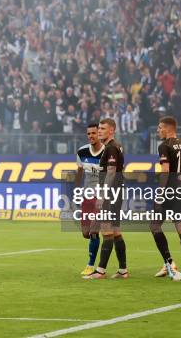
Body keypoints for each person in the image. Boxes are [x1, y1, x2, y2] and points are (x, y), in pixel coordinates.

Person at [151, 116, 181, 277]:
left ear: (168, 129)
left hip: (169, 191)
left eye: (159, 127)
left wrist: (161, 193)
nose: (158, 130)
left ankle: (169, 263)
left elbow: (165, 170)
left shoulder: (164, 146)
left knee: (154, 226)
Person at [84, 118, 128, 279]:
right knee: (116, 231)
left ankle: (100, 271)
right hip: (117, 192)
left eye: (103, 128)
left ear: (111, 130)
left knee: (107, 231)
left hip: (110, 194)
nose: (99, 131)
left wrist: (103, 194)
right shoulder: (116, 146)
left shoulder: (110, 148)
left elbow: (111, 172)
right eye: (99, 128)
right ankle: (123, 270)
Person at [74, 123, 105, 276]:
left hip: (101, 197)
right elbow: (79, 172)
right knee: (86, 233)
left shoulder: (107, 152)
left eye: (94, 133)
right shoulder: (82, 151)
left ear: (99, 134)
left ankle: (91, 265)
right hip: (87, 195)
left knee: (94, 231)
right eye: (89, 134)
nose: (91, 136)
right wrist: (76, 191)